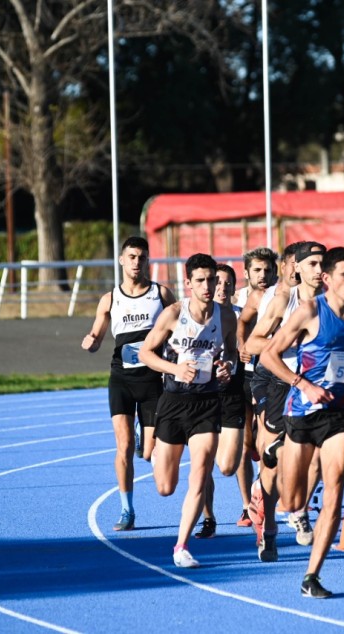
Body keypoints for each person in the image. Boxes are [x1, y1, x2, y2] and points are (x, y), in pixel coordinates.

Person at [261, 246, 344, 599]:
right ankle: (277, 452)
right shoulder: (310, 311)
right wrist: (304, 384)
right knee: (293, 499)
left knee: (334, 493)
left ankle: (311, 576)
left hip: (341, 414)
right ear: (327, 278)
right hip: (302, 412)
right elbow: (269, 355)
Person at [137, 253, 237, 568]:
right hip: (173, 400)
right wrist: (175, 368)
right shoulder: (173, 314)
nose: (208, 286)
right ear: (188, 283)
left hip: (207, 403)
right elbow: (145, 353)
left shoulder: (227, 316)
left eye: (213, 280)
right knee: (165, 487)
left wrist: (226, 367)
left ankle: (181, 546)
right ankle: (152, 447)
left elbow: (231, 353)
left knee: (200, 472)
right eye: (201, 281)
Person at [81, 236, 175, 532]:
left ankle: (141, 434)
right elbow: (97, 335)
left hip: (152, 380)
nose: (136, 263)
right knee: (122, 448)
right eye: (131, 257)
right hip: (121, 379)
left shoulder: (161, 294)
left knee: (147, 454)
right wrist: (91, 342)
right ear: (122, 260)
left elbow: (179, 325)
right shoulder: (110, 299)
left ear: (148, 261)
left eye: (142, 257)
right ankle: (127, 510)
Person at [244, 242, 326, 561]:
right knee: (273, 465)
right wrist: (289, 339)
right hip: (278, 380)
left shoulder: (331, 303)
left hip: (315, 384)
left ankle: (300, 510)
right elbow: (252, 341)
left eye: (324, 264)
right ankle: (269, 531)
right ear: (296, 268)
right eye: (313, 264)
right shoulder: (283, 298)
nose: (320, 270)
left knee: (319, 456)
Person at [193, 263, 245, 539]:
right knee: (204, 461)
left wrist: (229, 364)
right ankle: (209, 518)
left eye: (227, 283)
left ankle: (253, 500)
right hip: (202, 394)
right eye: (217, 282)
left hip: (233, 391)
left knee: (227, 466)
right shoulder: (191, 315)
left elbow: (235, 353)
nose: (221, 288)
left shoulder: (236, 316)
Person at [232, 247, 279, 528]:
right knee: (243, 445)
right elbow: (240, 322)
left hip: (271, 377)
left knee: (265, 443)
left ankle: (265, 493)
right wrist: (241, 345)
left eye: (267, 270)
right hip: (244, 376)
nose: (263, 275)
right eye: (257, 270)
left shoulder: (284, 297)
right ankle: (246, 505)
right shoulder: (244, 297)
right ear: (247, 272)